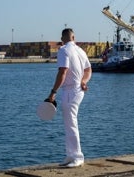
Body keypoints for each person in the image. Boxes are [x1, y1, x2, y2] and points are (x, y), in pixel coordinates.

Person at [47, 28, 92, 168]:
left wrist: (53, 92)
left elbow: (63, 72)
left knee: (71, 123)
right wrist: (84, 81)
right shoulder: (81, 50)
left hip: (70, 91)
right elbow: (88, 70)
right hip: (79, 90)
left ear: (62, 39)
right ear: (74, 37)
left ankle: (77, 157)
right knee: (69, 123)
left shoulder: (63, 50)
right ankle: (70, 155)